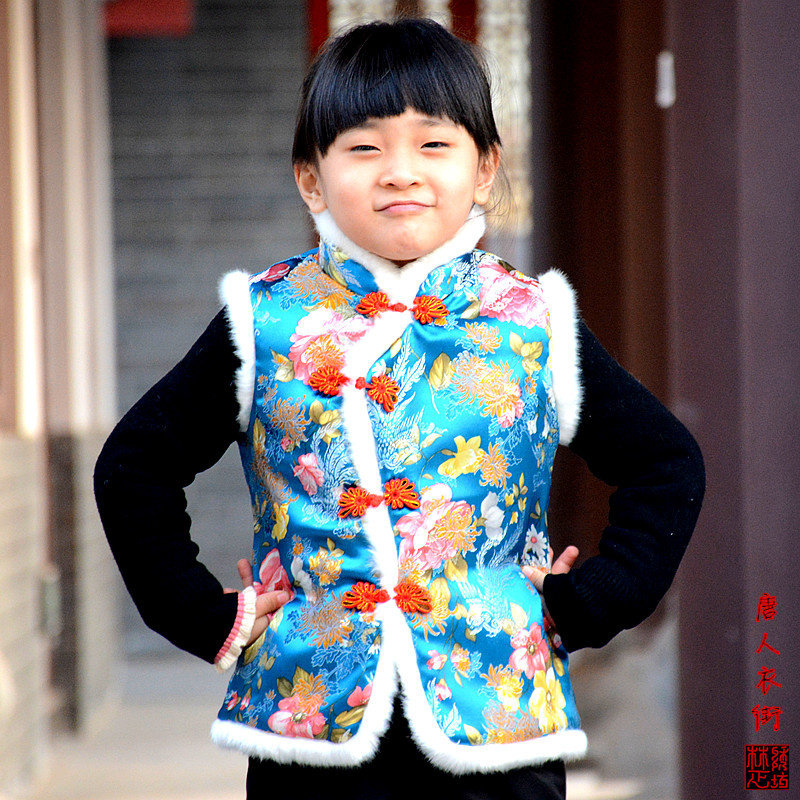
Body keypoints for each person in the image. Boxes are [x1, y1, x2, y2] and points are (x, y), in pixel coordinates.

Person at [94, 17, 704, 800]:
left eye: (433, 144)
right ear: (311, 179)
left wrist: (591, 603)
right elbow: (133, 468)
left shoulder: (531, 321)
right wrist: (202, 615)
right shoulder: (265, 321)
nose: (400, 173)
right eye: (364, 148)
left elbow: (666, 464)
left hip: (498, 726)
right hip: (311, 733)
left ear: (484, 168)